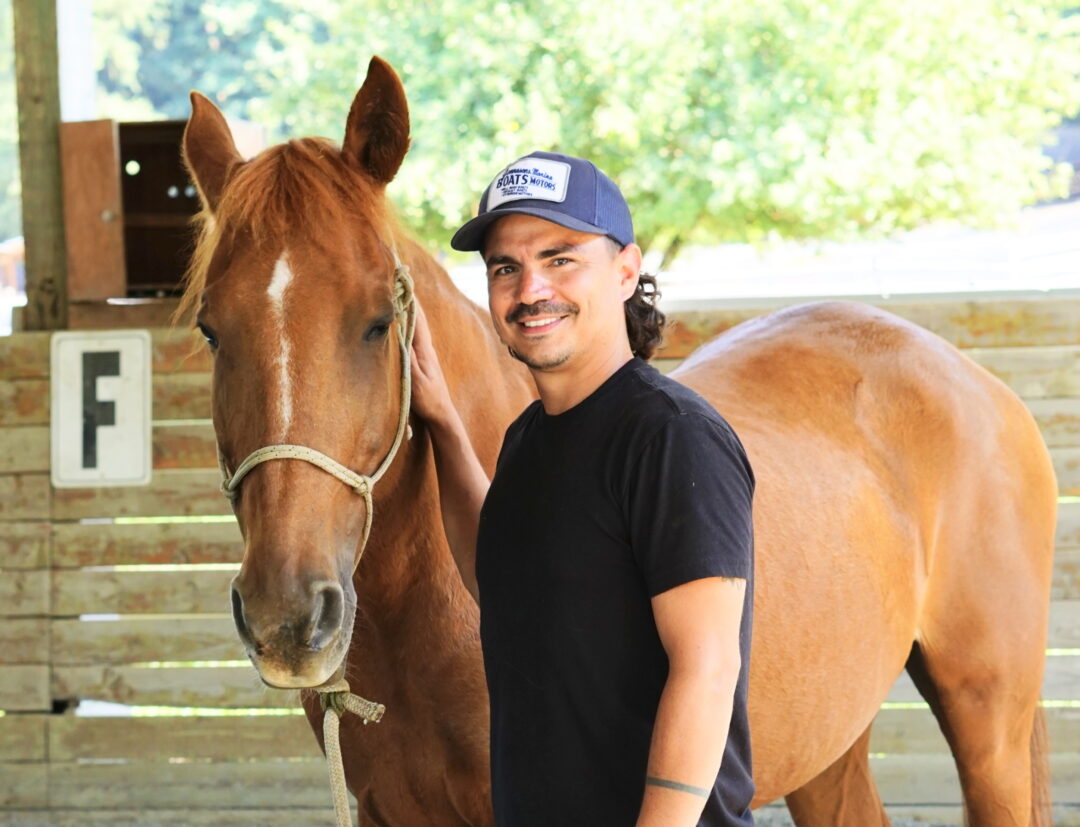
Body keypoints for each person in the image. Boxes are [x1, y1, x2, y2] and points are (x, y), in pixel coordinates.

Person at [409, 151, 756, 826]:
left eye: (560, 258)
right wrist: (445, 427)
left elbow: (708, 668)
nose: (529, 289)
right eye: (505, 268)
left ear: (625, 271)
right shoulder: (527, 438)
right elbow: (500, 582)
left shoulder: (672, 437)